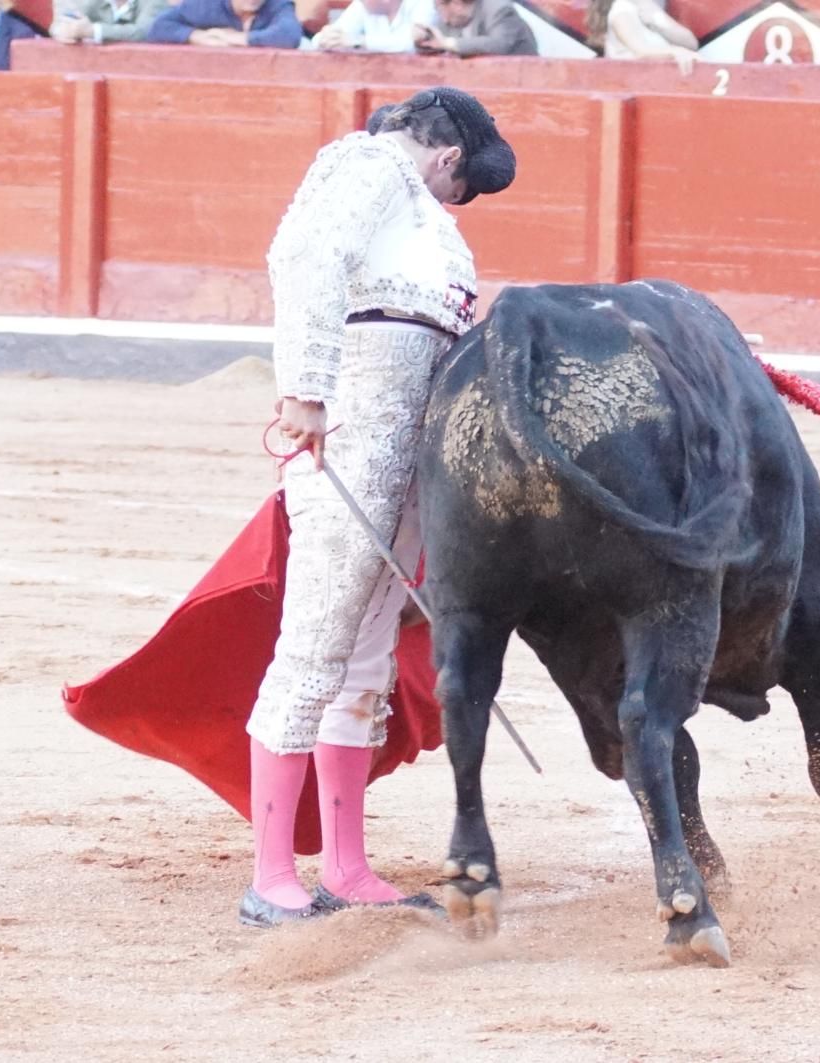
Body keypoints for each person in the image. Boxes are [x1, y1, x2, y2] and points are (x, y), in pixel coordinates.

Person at [241, 87, 516, 929]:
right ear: (446, 161)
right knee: (316, 646)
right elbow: (306, 258)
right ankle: (271, 876)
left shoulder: (427, 224)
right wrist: (306, 392)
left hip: (403, 462)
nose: (452, 203)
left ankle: (348, 867)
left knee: (362, 663)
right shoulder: (366, 165)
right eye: (458, 188)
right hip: (349, 440)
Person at [588, 0, 699, 74]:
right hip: (630, 83)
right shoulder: (622, 9)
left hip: (656, 81)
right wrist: (677, 52)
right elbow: (640, 50)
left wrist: (655, 20)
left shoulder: (650, 7)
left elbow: (691, 43)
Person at [146, 0, 305, 48]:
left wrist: (237, 39)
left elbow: (289, 35)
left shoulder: (278, 5)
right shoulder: (205, 4)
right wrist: (196, 36)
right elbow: (158, 26)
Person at [414, 0, 538, 56]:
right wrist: (423, 39)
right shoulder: (452, 20)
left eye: (440, 9)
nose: (444, 19)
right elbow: (439, 45)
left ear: (457, 4)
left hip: (521, 82)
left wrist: (448, 43)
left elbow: (500, 44)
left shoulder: (498, 8)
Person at [310, 0, 433, 50]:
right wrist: (323, 39)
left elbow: (417, 43)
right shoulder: (361, 5)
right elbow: (322, 39)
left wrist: (359, 42)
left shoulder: (423, 3)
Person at [49, 0, 167, 44]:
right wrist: (60, 30)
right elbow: (63, 21)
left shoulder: (155, 2)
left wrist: (93, 31)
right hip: (87, 69)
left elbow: (146, 32)